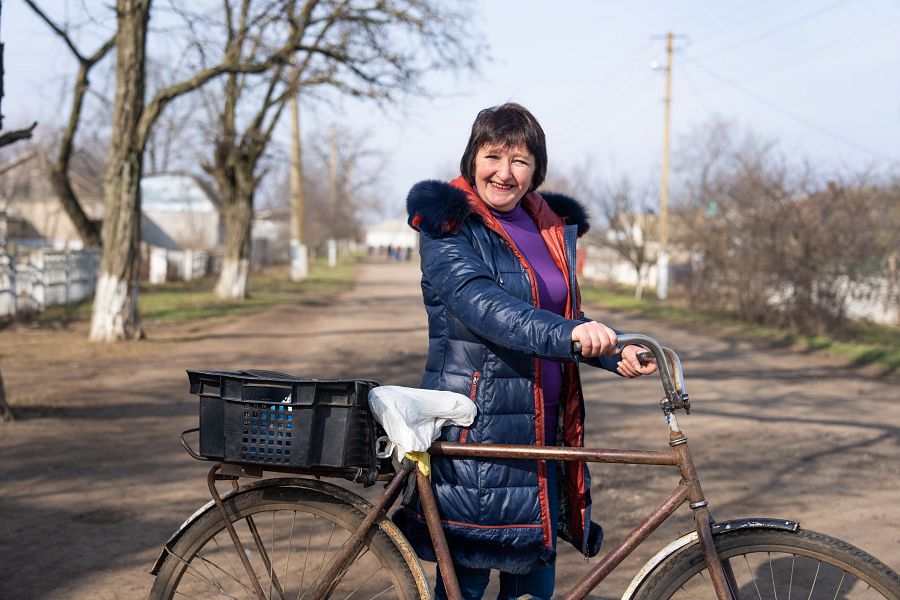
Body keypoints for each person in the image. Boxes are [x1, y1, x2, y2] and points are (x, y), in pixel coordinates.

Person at [395, 103, 657, 600]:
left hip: (544, 432)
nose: (504, 172)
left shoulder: (547, 225)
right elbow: (484, 306)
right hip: (478, 433)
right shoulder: (448, 223)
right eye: (493, 156)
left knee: (535, 588)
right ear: (473, 158)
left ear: (537, 170)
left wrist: (610, 348)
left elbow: (559, 313)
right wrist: (569, 337)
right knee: (464, 586)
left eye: (520, 161)